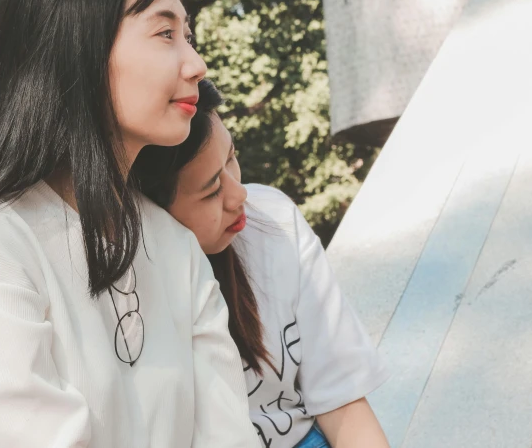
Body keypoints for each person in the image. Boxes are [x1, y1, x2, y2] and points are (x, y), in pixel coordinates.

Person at [0, 0, 258, 448]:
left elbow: (227, 434)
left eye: (187, 35)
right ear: (78, 50)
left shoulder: (174, 246)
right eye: (165, 33)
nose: (196, 64)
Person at [133, 80, 391, 448]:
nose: (239, 195)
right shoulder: (132, 300)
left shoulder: (272, 222)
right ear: (153, 214)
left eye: (231, 158)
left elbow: (342, 399)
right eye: (210, 191)